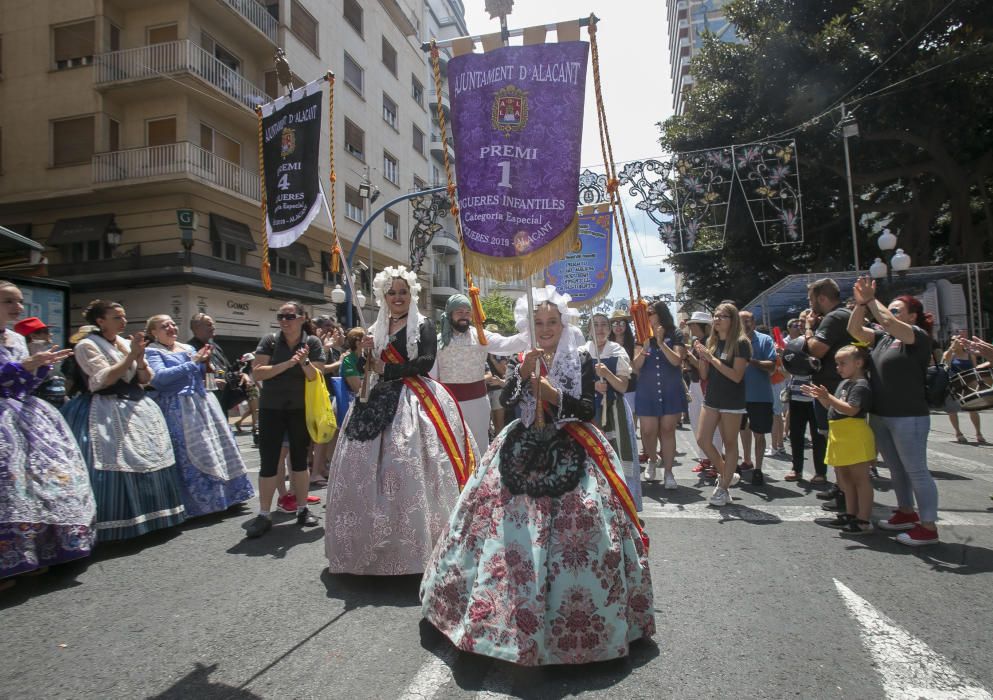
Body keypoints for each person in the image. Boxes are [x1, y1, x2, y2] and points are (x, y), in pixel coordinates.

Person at [420, 286, 655, 666]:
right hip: (521, 445)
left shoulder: (580, 358)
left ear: (564, 324)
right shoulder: (521, 356)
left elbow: (585, 409)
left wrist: (552, 394)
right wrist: (521, 376)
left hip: (572, 444)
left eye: (551, 322)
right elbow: (512, 403)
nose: (545, 329)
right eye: (538, 322)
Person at [324, 267, 474, 575]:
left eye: (402, 292)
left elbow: (426, 361)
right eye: (391, 293)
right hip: (377, 398)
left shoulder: (423, 324)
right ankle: (369, 542)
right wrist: (365, 356)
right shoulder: (376, 326)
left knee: (405, 463)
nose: (397, 297)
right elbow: (369, 368)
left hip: (415, 398)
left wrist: (385, 368)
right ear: (383, 295)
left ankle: (418, 544)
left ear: (411, 295)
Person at [61, 300, 186, 541]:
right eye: (117, 317)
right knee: (113, 460)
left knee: (148, 457)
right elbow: (102, 380)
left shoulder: (125, 343)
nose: (124, 321)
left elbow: (145, 378)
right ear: (100, 321)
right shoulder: (86, 345)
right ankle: (114, 520)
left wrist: (139, 359)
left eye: (124, 316)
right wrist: (131, 356)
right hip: (103, 406)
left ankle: (153, 515)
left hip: (135, 405)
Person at [0, 281, 96, 589]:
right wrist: (22, 366)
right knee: (8, 488)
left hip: (24, 416)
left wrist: (40, 368)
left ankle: (32, 553)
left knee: (41, 483)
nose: (18, 307)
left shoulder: (15, 337)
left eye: (18, 301)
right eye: (9, 302)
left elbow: (23, 386)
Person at [848, 277, 940, 546]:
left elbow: (888, 321)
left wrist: (871, 301)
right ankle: (905, 511)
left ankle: (928, 526)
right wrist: (861, 304)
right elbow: (854, 329)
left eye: (897, 309)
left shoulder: (917, 337)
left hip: (908, 414)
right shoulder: (883, 339)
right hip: (882, 413)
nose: (890, 312)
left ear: (913, 316)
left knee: (916, 470)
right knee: (896, 469)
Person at [144, 315, 255, 517]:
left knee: (219, 449)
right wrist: (194, 361)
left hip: (202, 402)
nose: (170, 327)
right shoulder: (152, 351)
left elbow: (199, 374)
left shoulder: (187, 349)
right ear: (153, 333)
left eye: (172, 324)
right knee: (193, 453)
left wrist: (209, 372)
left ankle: (228, 496)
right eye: (164, 326)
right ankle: (200, 503)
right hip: (177, 405)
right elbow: (159, 379)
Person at [243, 301, 325, 537]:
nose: (284, 321)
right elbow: (257, 372)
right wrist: (288, 363)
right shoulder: (269, 340)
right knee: (269, 462)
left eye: (289, 316)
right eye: (281, 316)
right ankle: (263, 514)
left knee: (299, 461)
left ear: (302, 318)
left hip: (300, 409)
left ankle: (302, 509)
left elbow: (316, 376)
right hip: (271, 409)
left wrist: (303, 362)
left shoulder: (312, 343)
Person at [434, 293, 528, 453]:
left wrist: (531, 329)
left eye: (467, 312)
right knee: (451, 450)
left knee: (478, 447)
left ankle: (478, 479)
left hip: (477, 404)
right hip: (448, 405)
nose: (464, 316)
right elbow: (432, 376)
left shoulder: (480, 335)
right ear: (450, 314)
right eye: (459, 312)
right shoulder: (438, 340)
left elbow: (507, 344)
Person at [802, 345, 876, 535]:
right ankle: (850, 514)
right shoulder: (845, 383)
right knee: (845, 480)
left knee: (861, 479)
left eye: (843, 363)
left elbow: (852, 409)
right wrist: (821, 398)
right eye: (837, 364)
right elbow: (833, 408)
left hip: (854, 434)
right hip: (840, 434)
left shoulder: (860, 384)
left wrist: (829, 398)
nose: (838, 367)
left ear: (859, 363)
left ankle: (863, 519)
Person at [694, 303, 750, 507]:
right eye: (715, 315)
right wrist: (702, 359)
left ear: (732, 319)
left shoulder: (741, 343)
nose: (717, 319)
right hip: (712, 397)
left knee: (730, 443)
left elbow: (736, 376)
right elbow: (704, 375)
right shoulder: (712, 341)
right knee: (702, 439)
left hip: (731, 400)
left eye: (722, 316)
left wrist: (712, 358)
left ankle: (723, 487)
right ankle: (727, 473)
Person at [584, 311, 642, 508]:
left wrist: (607, 374)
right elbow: (575, 384)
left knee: (615, 453)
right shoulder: (582, 351)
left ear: (609, 330)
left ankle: (621, 501)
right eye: (595, 324)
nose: (599, 328)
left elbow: (623, 387)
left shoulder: (617, 351)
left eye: (603, 325)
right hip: (589, 410)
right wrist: (593, 385)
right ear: (589, 329)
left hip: (614, 409)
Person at [632, 300, 687, 486]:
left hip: (670, 389)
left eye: (650, 313)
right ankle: (652, 460)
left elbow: (677, 360)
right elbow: (635, 366)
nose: (647, 317)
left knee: (668, 430)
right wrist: (644, 348)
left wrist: (661, 342)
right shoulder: (641, 335)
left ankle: (669, 473)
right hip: (647, 390)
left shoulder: (675, 333)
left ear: (660, 314)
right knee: (647, 431)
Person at [805, 279, 852, 491]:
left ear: (822, 298)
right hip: (833, 388)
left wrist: (808, 329)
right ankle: (842, 489)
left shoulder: (834, 318)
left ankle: (845, 493)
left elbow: (815, 350)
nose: (810, 304)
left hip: (833, 389)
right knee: (834, 440)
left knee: (837, 441)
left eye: (811, 299)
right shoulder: (840, 316)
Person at [737, 311, 776, 485]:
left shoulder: (765, 340)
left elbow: (772, 365)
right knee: (740, 430)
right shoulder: (734, 341)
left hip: (760, 396)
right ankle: (746, 461)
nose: (745, 324)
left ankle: (758, 469)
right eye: (741, 321)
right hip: (738, 396)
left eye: (748, 320)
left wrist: (751, 361)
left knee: (759, 433)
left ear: (753, 322)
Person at [683, 311, 724, 477]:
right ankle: (704, 458)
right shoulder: (697, 342)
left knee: (712, 426)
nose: (691, 327)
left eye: (694, 324)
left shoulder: (711, 342)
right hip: (694, 384)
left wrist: (690, 357)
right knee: (695, 422)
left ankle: (716, 460)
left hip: (708, 386)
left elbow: (705, 368)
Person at [783, 315, 817, 482]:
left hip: (815, 396)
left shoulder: (818, 343)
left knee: (817, 436)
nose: (800, 326)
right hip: (796, 394)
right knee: (796, 435)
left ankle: (820, 472)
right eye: (797, 323)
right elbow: (787, 371)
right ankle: (796, 469)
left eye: (803, 323)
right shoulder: (793, 344)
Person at [12, 316, 68, 408]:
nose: (51, 334)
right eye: (46, 332)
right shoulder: (22, 363)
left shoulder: (48, 358)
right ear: (33, 336)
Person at [943, 331, 987, 444]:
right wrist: (952, 348)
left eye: (958, 339)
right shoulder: (949, 354)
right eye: (953, 340)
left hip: (969, 385)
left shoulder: (969, 354)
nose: (957, 341)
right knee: (952, 410)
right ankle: (958, 432)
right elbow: (944, 362)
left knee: (973, 409)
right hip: (953, 384)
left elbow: (975, 368)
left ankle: (978, 433)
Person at [188, 313, 236, 411]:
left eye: (213, 324)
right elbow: (188, 378)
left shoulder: (215, 347)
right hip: (204, 404)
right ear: (197, 328)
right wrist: (211, 382)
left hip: (222, 401)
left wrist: (241, 374)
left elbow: (224, 369)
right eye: (209, 325)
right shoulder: (189, 349)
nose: (213, 327)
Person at [610, 309, 638, 416]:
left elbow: (636, 369)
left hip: (630, 386)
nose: (618, 326)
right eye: (614, 323)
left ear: (626, 326)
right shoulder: (605, 344)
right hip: (612, 386)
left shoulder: (633, 344)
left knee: (631, 417)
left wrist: (623, 353)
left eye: (622, 323)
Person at [232, 353, 260, 441]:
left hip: (249, 391)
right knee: (255, 410)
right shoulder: (247, 370)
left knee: (253, 410)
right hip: (252, 390)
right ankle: (255, 428)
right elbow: (254, 380)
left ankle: (239, 423)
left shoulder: (244, 369)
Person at [484, 350, 509, 435]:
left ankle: (499, 446)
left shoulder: (498, 351)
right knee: (486, 424)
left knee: (499, 423)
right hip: (483, 392)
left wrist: (493, 359)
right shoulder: (478, 350)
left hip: (498, 390)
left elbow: (504, 372)